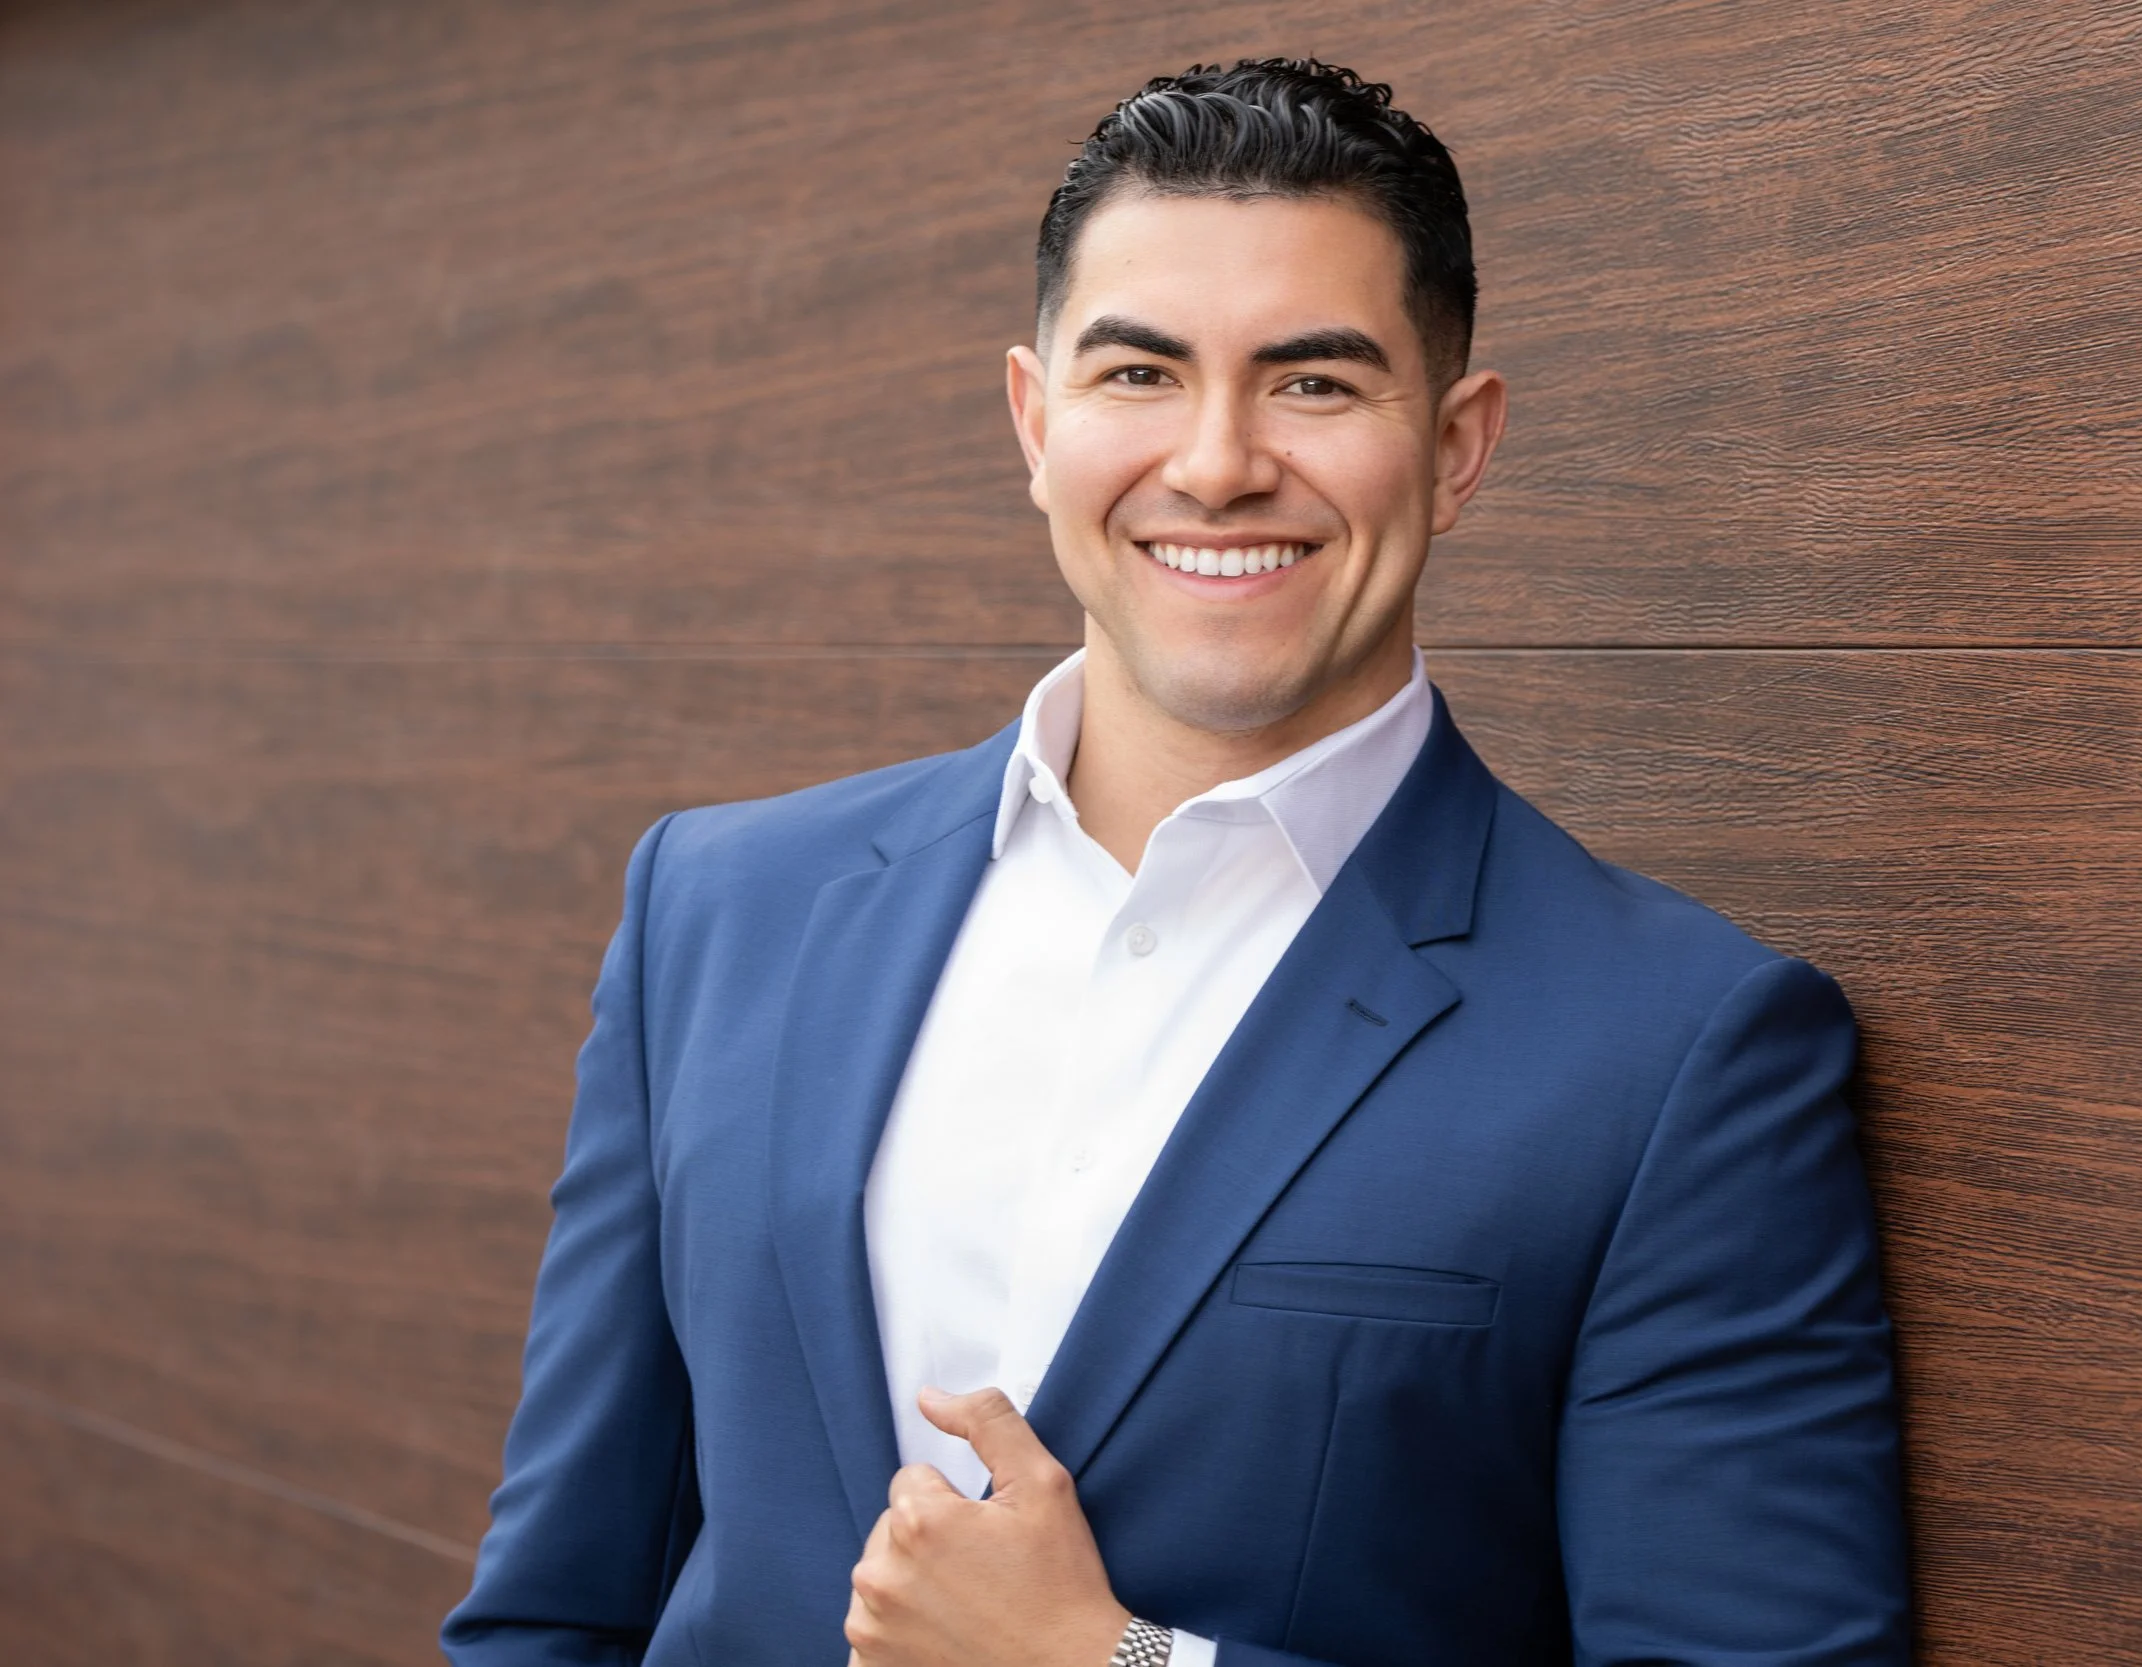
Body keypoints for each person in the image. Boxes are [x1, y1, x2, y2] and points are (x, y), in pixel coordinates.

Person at [443, 58, 1908, 1667]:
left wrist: (1114, 1663)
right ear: (1036, 420)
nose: (1216, 463)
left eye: (1314, 383)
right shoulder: (720, 912)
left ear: (1456, 445)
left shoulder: (1675, 1053)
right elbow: (557, 1608)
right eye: (1140, 373)